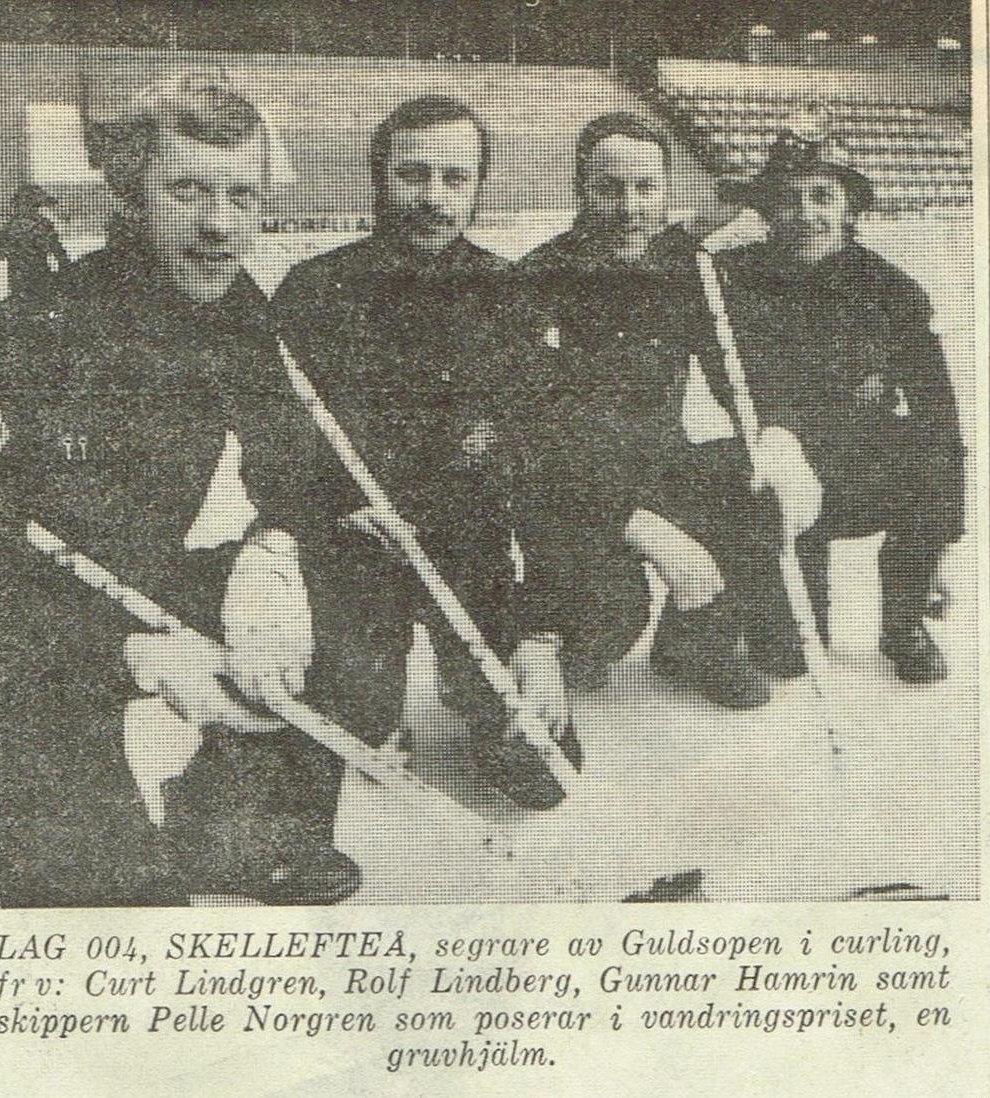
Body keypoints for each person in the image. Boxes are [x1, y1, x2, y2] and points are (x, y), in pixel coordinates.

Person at [0, 70, 356, 906]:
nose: (219, 224)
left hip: (122, 586)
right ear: (131, 196)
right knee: (129, 913)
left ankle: (228, 828)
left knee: (345, 589)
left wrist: (271, 558)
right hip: (9, 638)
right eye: (187, 191)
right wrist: (132, 653)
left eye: (241, 196)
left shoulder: (236, 305)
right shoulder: (35, 330)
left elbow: (291, 468)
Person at [273, 95, 578, 811]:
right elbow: (273, 447)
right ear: (379, 177)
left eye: (454, 178)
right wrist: (337, 506)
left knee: (541, 771)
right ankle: (372, 684)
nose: (433, 198)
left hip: (468, 553)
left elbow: (542, 471)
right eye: (413, 175)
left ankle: (466, 674)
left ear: (477, 186)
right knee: (353, 725)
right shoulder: (314, 290)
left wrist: (538, 635)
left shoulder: (510, 294)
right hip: (355, 550)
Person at [511, 112, 806, 711]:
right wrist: (636, 521)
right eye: (609, 188)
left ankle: (692, 645)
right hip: (573, 490)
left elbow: (731, 373)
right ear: (580, 189)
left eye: (645, 188)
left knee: (753, 488)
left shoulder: (685, 268)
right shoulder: (539, 276)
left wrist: (773, 438)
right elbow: (538, 437)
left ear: (665, 190)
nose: (629, 206)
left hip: (659, 463)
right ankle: (570, 645)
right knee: (610, 619)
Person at [715, 128, 965, 683]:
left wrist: (936, 549)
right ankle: (740, 615)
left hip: (861, 467)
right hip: (778, 473)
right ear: (767, 211)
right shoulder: (729, 276)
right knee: (793, 658)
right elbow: (655, 275)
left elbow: (938, 413)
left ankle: (903, 619)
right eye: (787, 199)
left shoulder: (892, 291)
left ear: (849, 207)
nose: (805, 215)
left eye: (822, 197)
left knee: (937, 457)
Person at [0, 184, 70, 300]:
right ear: (38, 205)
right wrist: (68, 283)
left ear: (16, 205)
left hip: (17, 284)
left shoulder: (9, 228)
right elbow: (61, 256)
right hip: (42, 282)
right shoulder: (43, 226)